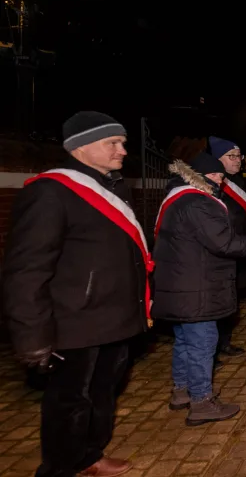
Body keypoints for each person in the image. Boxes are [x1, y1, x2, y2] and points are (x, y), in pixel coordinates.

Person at [2, 111, 149, 477]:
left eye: (123, 142)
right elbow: (26, 270)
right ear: (81, 147)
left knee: (103, 393)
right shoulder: (50, 193)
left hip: (113, 318)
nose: (123, 151)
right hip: (73, 322)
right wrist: (32, 336)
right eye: (112, 143)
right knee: (70, 403)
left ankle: (89, 456)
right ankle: (60, 467)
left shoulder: (113, 187)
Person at [151, 153, 246, 426]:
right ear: (199, 176)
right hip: (196, 288)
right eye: (217, 176)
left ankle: (182, 392)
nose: (221, 180)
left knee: (185, 341)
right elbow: (225, 243)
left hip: (181, 286)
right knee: (202, 343)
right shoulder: (197, 202)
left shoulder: (178, 198)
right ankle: (201, 402)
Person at [207, 137, 246, 363]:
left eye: (239, 156)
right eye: (231, 156)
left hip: (237, 248)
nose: (237, 161)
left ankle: (224, 342)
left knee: (231, 298)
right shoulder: (211, 185)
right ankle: (210, 350)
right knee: (217, 301)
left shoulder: (237, 182)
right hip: (221, 249)